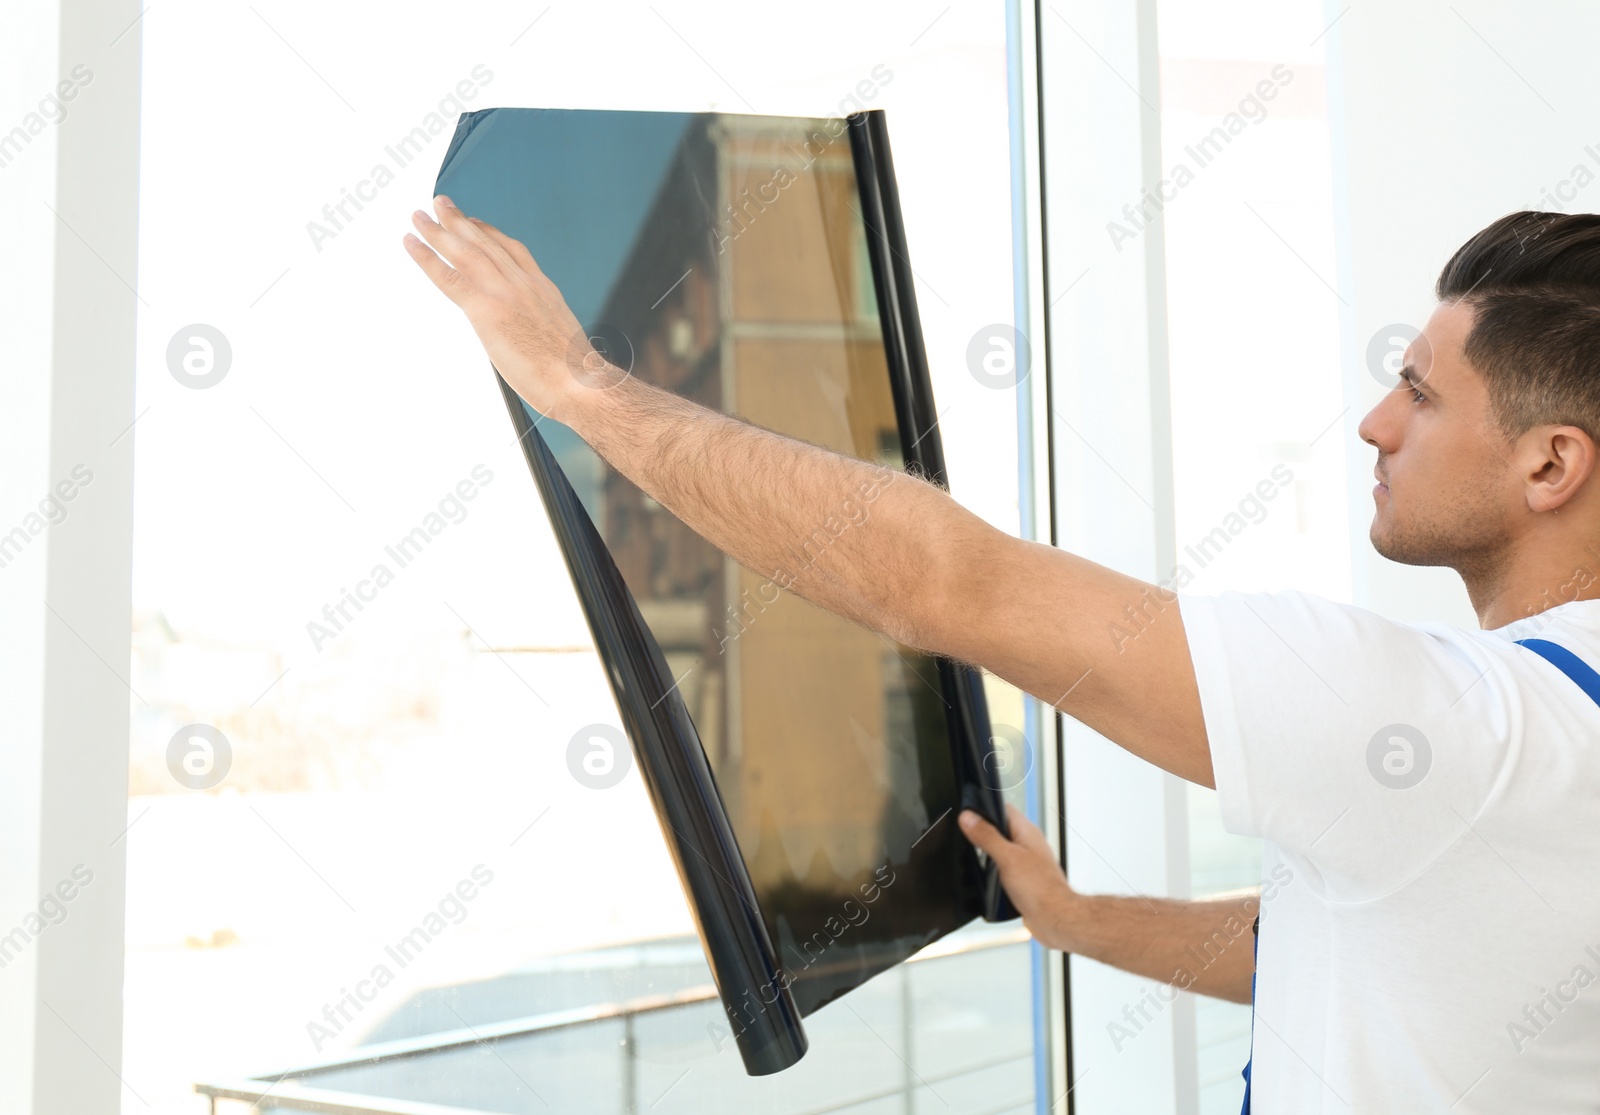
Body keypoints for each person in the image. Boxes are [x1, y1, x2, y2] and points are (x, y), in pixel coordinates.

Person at [405, 202, 1600, 1112]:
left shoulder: (1466, 732)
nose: (1374, 421)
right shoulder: (1503, 759)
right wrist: (1079, 917)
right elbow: (1350, 930)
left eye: (1417, 391)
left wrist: (575, 383)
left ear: (1550, 464)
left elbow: (938, 581)